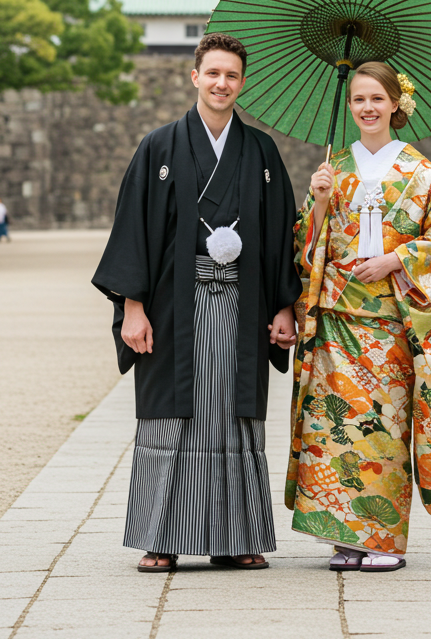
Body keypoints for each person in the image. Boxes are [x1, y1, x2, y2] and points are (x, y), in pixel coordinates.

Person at [92, 33, 301, 574]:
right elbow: (133, 231)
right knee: (168, 419)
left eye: (232, 75)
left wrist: (284, 306)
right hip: (171, 307)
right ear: (195, 76)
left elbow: (280, 235)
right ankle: (160, 537)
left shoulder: (260, 153)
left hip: (243, 306)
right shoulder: (159, 146)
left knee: (234, 421)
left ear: (243, 82)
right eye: (213, 73)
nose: (221, 83)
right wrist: (132, 307)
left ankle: (237, 536)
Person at [287, 62, 431, 573]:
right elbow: (305, 245)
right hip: (336, 316)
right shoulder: (332, 169)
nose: (367, 108)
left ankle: (384, 540)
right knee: (332, 427)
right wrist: (319, 204)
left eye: (377, 99)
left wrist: (397, 260)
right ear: (350, 105)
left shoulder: (419, 171)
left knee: (383, 426)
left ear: (395, 105)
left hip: (391, 319)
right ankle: (344, 535)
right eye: (359, 99)